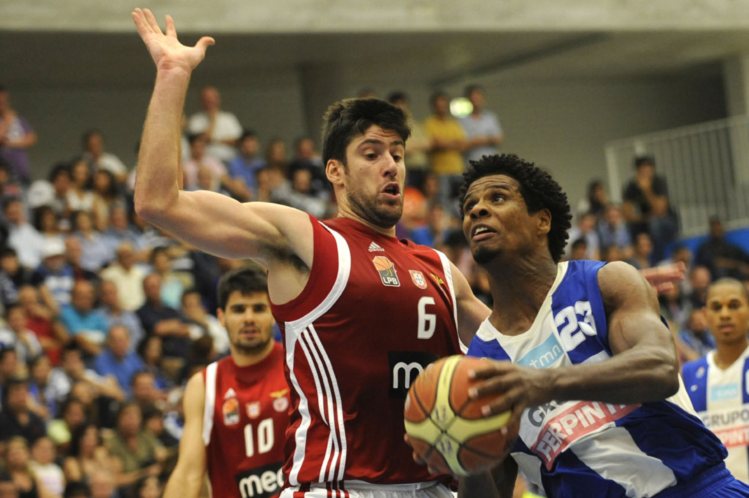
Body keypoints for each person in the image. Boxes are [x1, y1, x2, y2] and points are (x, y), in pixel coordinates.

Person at [131, 9, 489, 498]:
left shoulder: (441, 269)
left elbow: (516, 348)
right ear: (335, 171)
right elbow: (158, 203)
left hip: (433, 488)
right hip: (338, 487)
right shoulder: (306, 241)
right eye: (372, 154)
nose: (390, 165)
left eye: (398, 154)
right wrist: (173, 75)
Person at [454, 153, 747, 497]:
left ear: (542, 221)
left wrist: (543, 383)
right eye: (470, 206)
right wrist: (465, 456)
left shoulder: (607, 282)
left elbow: (660, 368)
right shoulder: (480, 362)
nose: (477, 210)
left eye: (497, 198)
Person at [163, 267, 288, 498]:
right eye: (239, 309)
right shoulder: (204, 385)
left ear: (273, 314)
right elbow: (188, 473)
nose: (249, 318)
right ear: (221, 317)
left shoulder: (298, 367)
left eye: (259, 309)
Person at [682, 278, 749, 483]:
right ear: (705, 315)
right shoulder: (689, 374)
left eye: (734, 305)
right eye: (716, 307)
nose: (725, 314)